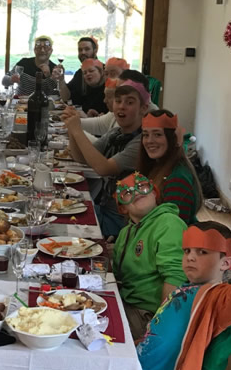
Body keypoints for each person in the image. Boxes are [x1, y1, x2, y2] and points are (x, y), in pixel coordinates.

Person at [137, 218, 231, 370]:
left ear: (227, 263)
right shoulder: (184, 287)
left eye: (202, 252)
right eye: (187, 251)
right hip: (140, 369)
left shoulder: (218, 298)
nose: (191, 258)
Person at [62, 79, 150, 238]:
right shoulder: (117, 133)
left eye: (129, 102)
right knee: (60, 209)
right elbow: (81, 157)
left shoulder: (141, 142)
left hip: (123, 221)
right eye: (118, 101)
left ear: (143, 108)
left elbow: (103, 168)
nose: (122, 106)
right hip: (105, 209)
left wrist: (77, 130)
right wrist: (71, 129)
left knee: (64, 223)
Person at [112, 172, 187, 340]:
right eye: (127, 193)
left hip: (146, 315)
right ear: (123, 208)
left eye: (142, 186)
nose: (137, 192)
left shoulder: (168, 223)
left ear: (154, 193)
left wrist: (158, 330)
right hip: (126, 302)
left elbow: (175, 278)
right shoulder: (125, 233)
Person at [139, 109, 202, 224]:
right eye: (145, 135)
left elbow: (173, 231)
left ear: (172, 138)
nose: (149, 141)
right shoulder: (157, 165)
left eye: (157, 134)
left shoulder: (177, 179)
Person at [58, 35, 99, 104]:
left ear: (95, 51)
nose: (83, 52)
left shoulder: (105, 71)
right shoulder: (79, 73)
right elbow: (66, 97)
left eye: (87, 49)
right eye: (80, 50)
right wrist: (61, 80)